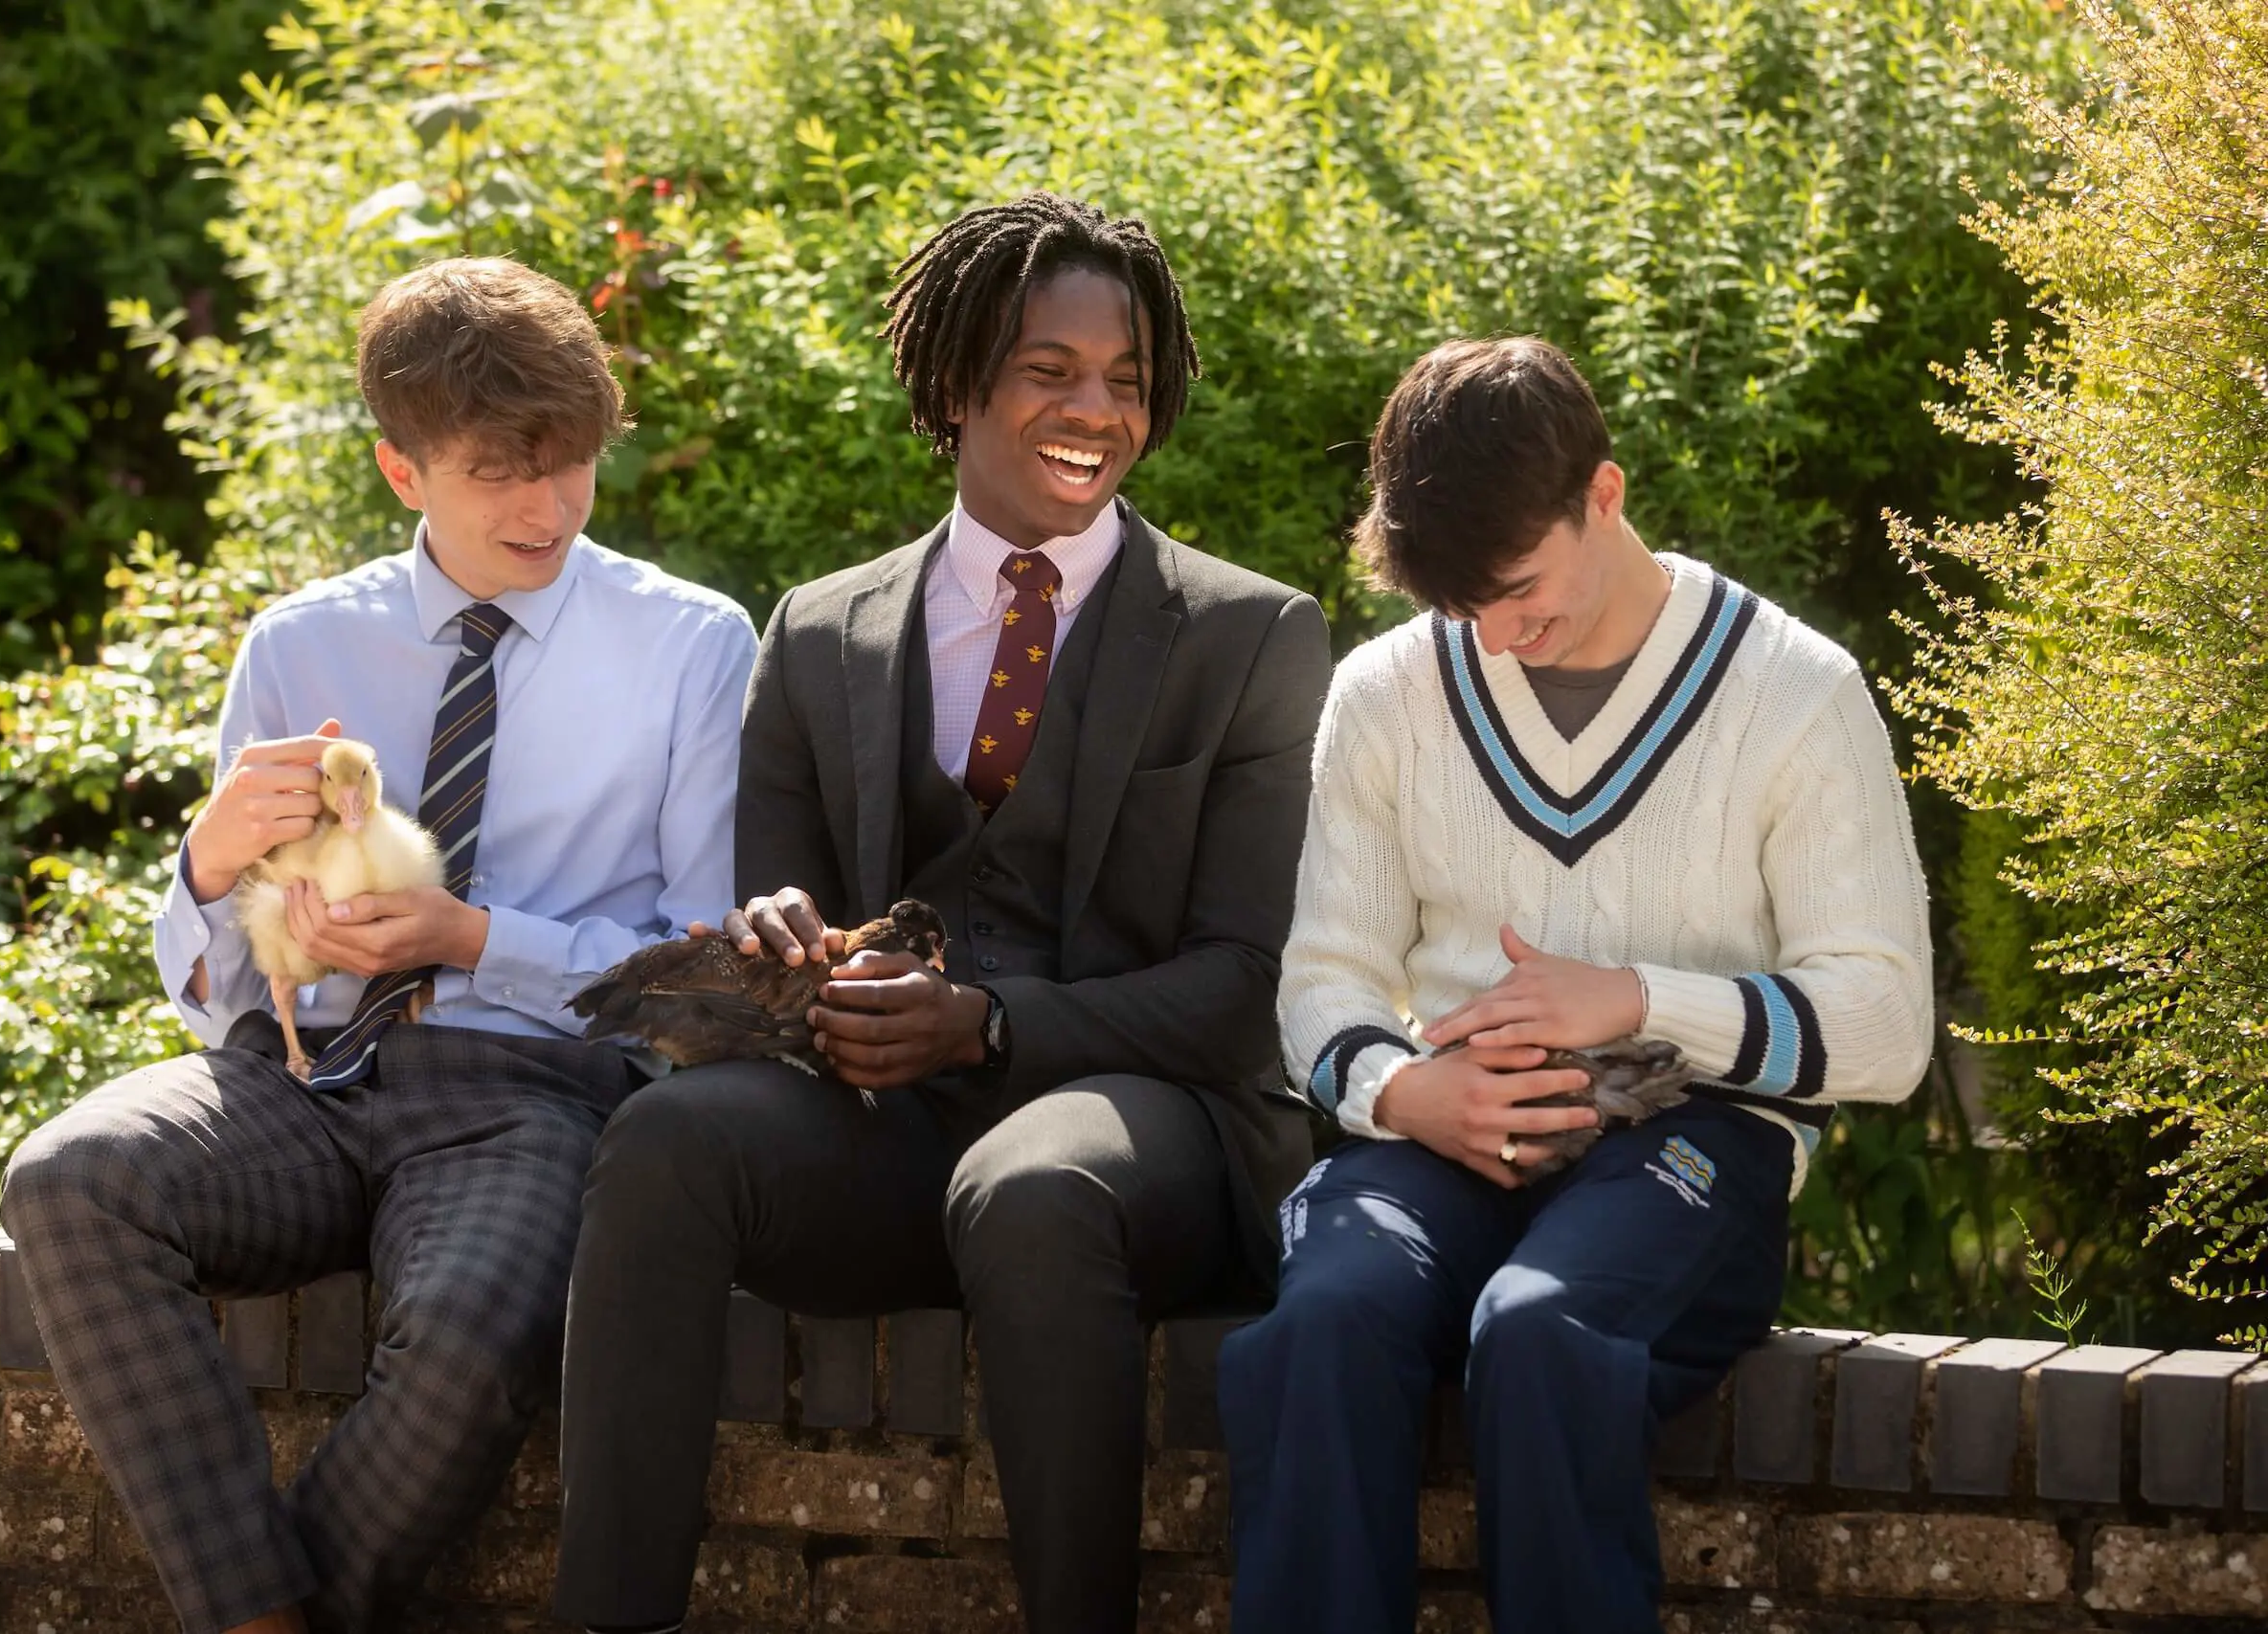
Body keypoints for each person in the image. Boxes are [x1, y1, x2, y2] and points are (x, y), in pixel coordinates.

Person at [551, 192, 1332, 1634]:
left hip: (1141, 1126)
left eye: (1127, 380)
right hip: (883, 1139)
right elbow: (786, 917)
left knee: (1033, 1186)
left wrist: (986, 1022)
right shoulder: (820, 628)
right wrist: (782, 942)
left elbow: (1244, 984)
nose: (1094, 408)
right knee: (664, 1142)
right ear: (961, 376)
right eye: (1050, 370)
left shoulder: (1252, 635)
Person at [0, 256, 756, 1634]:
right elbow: (220, 985)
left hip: (523, 1098)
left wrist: (476, 935)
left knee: (475, 1335)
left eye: (570, 462)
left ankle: (259, 1614)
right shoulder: (297, 643)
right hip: (294, 1079)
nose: (546, 506)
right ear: (404, 471)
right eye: (497, 472)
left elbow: (703, 973)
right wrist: (207, 862)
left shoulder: (691, 646)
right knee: (70, 1178)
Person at [1218, 336, 1933, 1633]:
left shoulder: (1798, 692)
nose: (1497, 632)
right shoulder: (1381, 694)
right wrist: (1406, 1090)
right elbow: (1323, 982)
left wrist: (1639, 999)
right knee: (1319, 1323)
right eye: (1460, 607)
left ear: (1603, 495)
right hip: (1444, 1129)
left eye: (1520, 587)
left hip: (1695, 1144)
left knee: (1542, 1333)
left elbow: (1887, 1027)